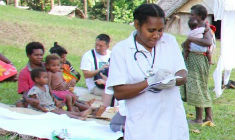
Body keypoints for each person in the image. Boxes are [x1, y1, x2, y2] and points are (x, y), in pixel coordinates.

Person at [106, 4, 189, 140]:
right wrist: (150, 82)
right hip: (143, 125)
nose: (156, 35)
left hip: (172, 121)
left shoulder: (169, 42)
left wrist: (173, 79)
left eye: (160, 30)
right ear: (137, 24)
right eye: (151, 30)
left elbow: (182, 73)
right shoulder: (122, 50)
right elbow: (119, 92)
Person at [181, 4, 214, 124]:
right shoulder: (196, 29)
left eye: (192, 14)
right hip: (193, 59)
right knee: (197, 87)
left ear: (199, 16)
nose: (190, 16)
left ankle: (200, 118)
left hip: (199, 60)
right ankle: (205, 117)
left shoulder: (206, 29)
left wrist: (190, 40)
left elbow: (208, 42)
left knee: (199, 87)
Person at [80, 34, 113, 116]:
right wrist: (100, 69)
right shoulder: (88, 56)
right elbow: (86, 75)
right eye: (96, 45)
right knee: (112, 94)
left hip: (108, 83)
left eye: (101, 46)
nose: (97, 47)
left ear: (107, 46)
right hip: (95, 87)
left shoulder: (112, 55)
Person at [16, 42, 45, 108]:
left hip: (52, 95)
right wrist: (28, 99)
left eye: (41, 55)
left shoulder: (49, 67)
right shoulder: (24, 73)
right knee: (19, 104)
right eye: (36, 55)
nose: (40, 57)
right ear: (28, 55)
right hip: (35, 98)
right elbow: (25, 92)